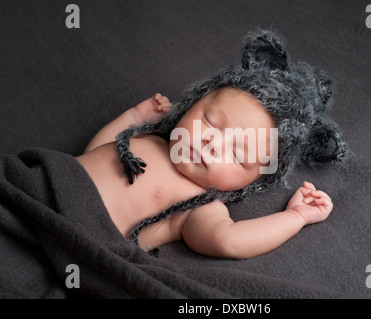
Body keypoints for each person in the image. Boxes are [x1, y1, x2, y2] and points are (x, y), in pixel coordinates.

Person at [77, 29, 348, 259]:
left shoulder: (198, 206)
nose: (213, 143)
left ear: (250, 183)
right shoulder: (149, 138)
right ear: (190, 106)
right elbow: (95, 153)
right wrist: (135, 117)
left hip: (77, 234)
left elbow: (230, 241)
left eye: (237, 154)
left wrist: (295, 217)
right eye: (210, 122)